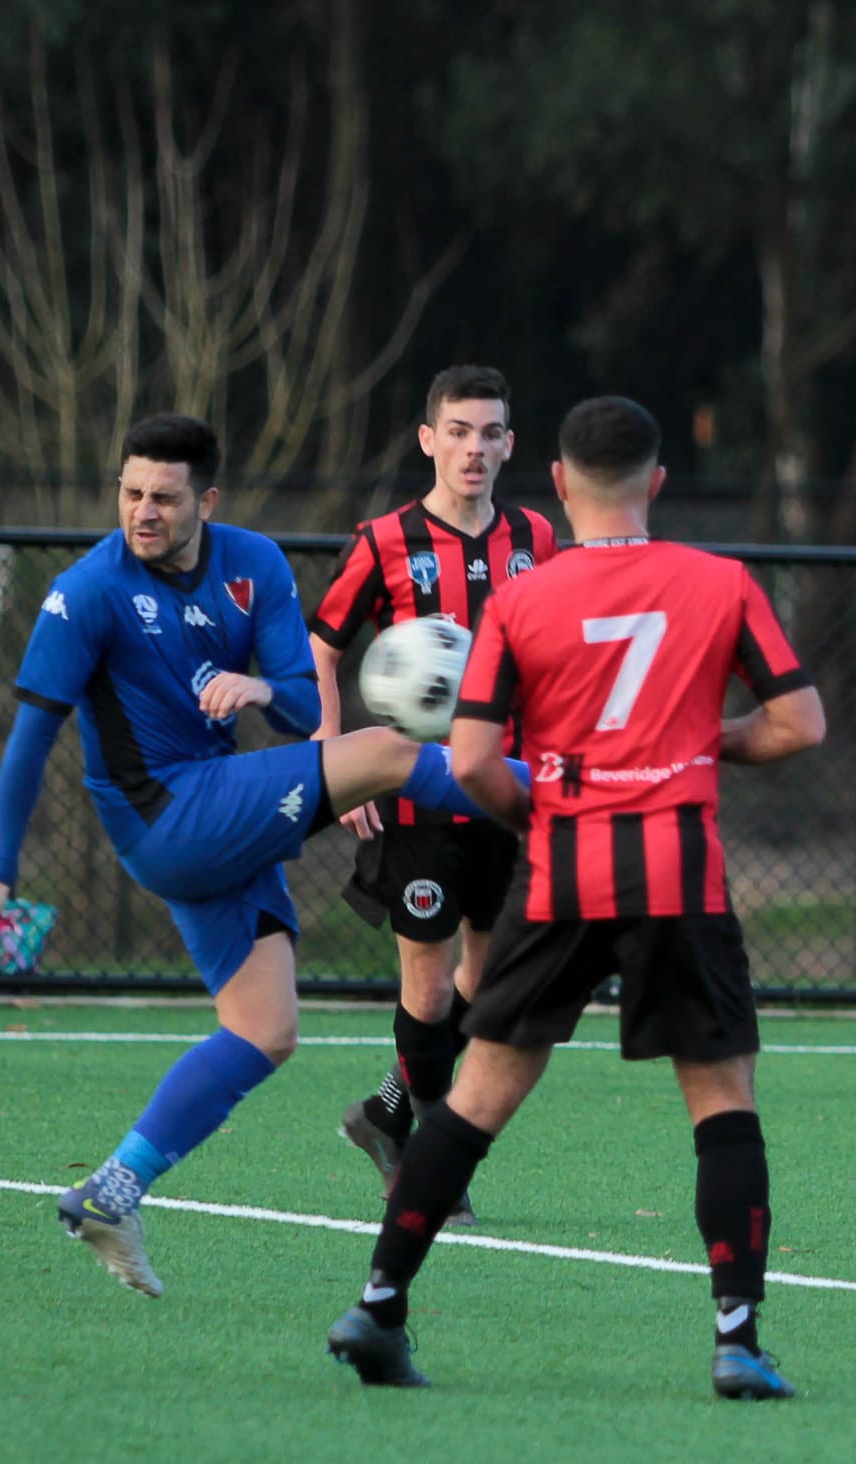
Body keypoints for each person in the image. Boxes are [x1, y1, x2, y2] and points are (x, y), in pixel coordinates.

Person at [0, 414, 531, 1300]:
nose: (143, 511)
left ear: (207, 500)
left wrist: (259, 687)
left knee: (265, 1031)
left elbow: (297, 704)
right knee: (393, 752)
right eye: (131, 493)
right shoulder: (85, 592)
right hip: (166, 816)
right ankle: (579, 796)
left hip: (216, 807)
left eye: (164, 497)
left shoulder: (255, 563)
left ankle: (112, 1191)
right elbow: (31, 734)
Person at [324, 396, 825, 1398]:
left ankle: (377, 1307)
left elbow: (473, 761)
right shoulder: (720, 582)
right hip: (677, 868)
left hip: (564, 868)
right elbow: (800, 723)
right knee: (721, 1101)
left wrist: (542, 810)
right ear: (658, 482)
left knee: (475, 1098)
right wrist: (703, 742)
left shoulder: (522, 600)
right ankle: (735, 1339)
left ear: (556, 481)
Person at [310, 366, 557, 1217]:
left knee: (489, 981)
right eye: (457, 432)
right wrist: (338, 758)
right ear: (429, 440)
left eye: (489, 434)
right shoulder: (383, 541)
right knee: (427, 985)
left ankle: (384, 1112)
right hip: (414, 795)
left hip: (502, 789)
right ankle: (428, 1166)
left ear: (509, 445)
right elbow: (321, 649)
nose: (473, 449)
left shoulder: (535, 537)